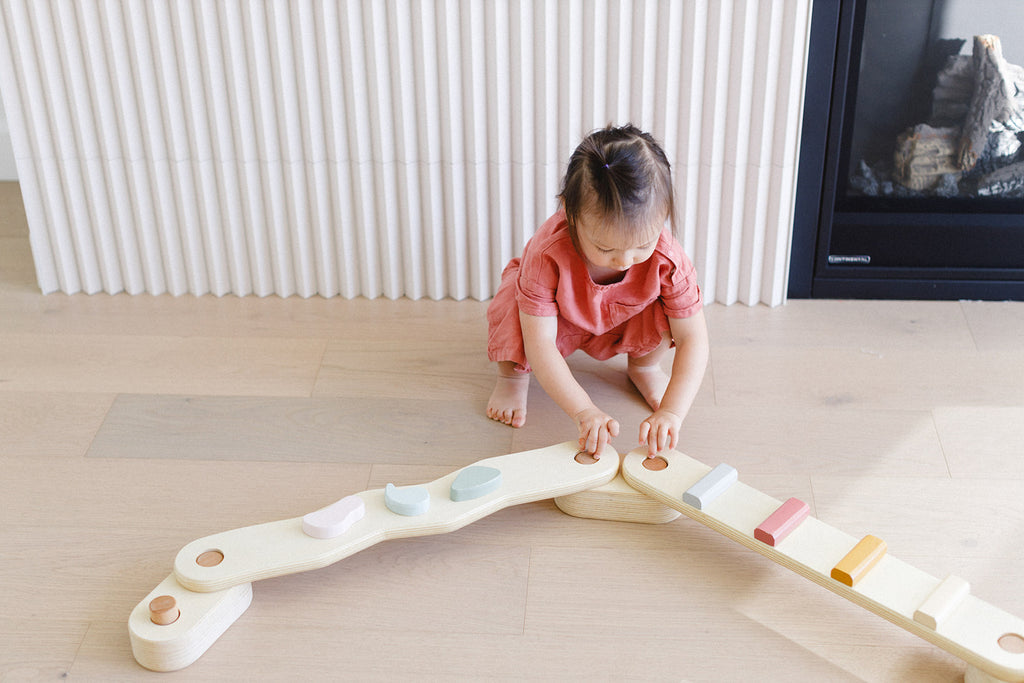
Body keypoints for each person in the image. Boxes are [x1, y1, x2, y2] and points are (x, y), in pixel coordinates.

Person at [485, 124, 709, 458]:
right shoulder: (548, 252)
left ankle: (644, 367)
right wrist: (583, 410)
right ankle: (512, 379)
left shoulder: (667, 259)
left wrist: (672, 412)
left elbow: (693, 338)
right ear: (568, 212)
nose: (624, 260)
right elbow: (540, 342)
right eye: (605, 248)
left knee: (669, 314)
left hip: (623, 319)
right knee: (513, 308)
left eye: (642, 246)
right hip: (562, 319)